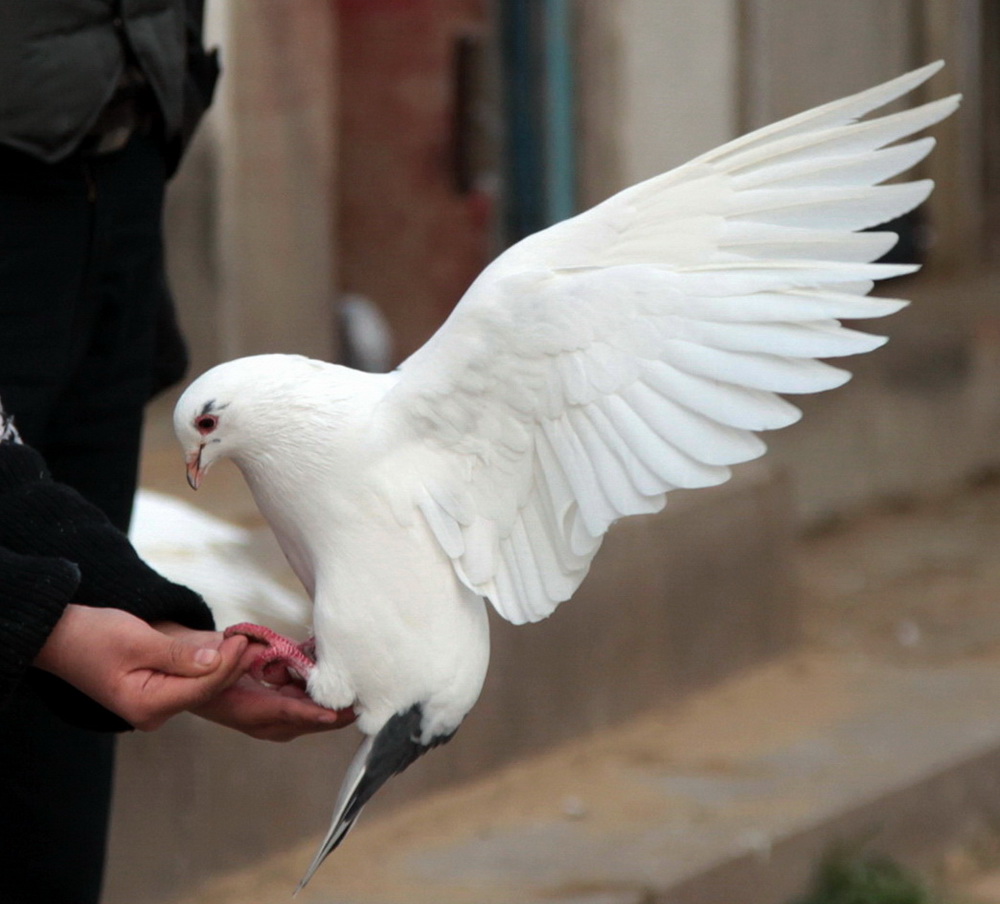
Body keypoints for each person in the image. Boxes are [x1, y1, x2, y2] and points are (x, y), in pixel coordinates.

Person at [0, 3, 325, 902]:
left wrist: (166, 631)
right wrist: (49, 626)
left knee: (59, 787)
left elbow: (11, 479)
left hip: (122, 149)